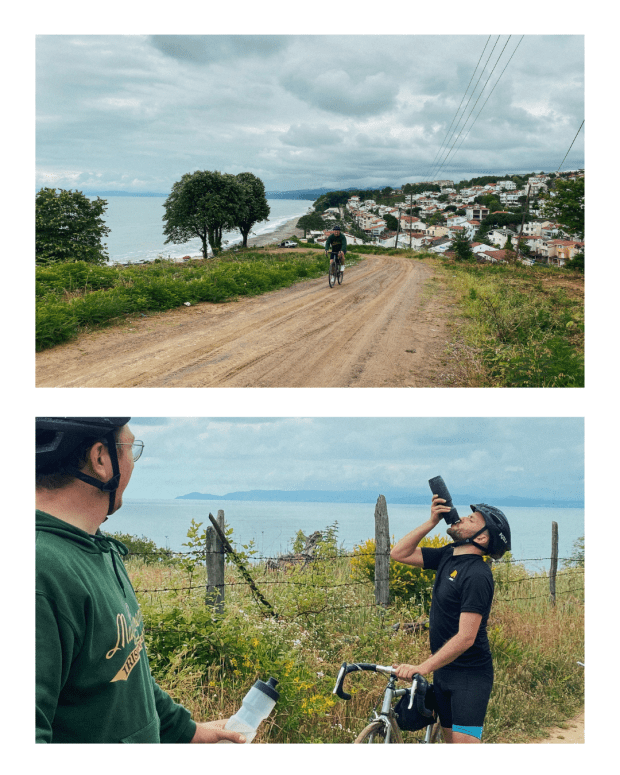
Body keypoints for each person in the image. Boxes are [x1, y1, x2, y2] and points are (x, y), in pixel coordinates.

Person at [36, 417, 245, 744]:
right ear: (101, 459)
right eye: (130, 448)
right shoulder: (40, 572)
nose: (134, 462)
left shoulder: (97, 548)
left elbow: (126, 674)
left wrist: (187, 731)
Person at [390, 494, 511, 744]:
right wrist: (432, 521)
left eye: (471, 519)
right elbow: (399, 553)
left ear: (481, 538)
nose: (462, 517)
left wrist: (423, 667)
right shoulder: (449, 555)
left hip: (470, 677)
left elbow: (467, 637)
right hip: (444, 673)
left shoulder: (477, 575)